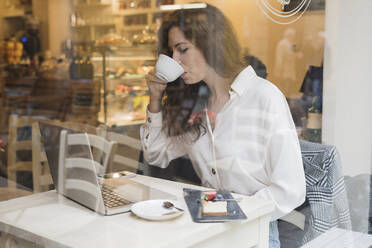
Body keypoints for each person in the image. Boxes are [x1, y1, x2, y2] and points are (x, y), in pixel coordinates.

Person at [141, 4, 305, 247]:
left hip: (253, 232)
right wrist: (155, 98)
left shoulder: (264, 97)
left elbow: (290, 189)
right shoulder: (196, 102)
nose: (174, 60)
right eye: (171, 52)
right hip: (208, 229)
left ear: (211, 43)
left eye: (182, 49)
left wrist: (228, 213)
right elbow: (156, 154)